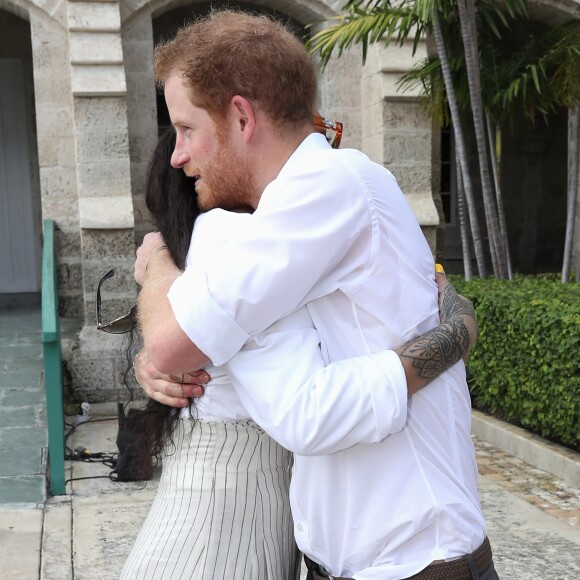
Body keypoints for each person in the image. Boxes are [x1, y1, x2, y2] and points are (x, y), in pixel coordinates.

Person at [134, 10, 498, 580]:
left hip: (413, 563)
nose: (179, 154)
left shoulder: (325, 187)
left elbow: (170, 345)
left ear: (240, 116)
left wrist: (157, 259)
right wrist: (454, 331)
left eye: (186, 128)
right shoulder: (296, 208)